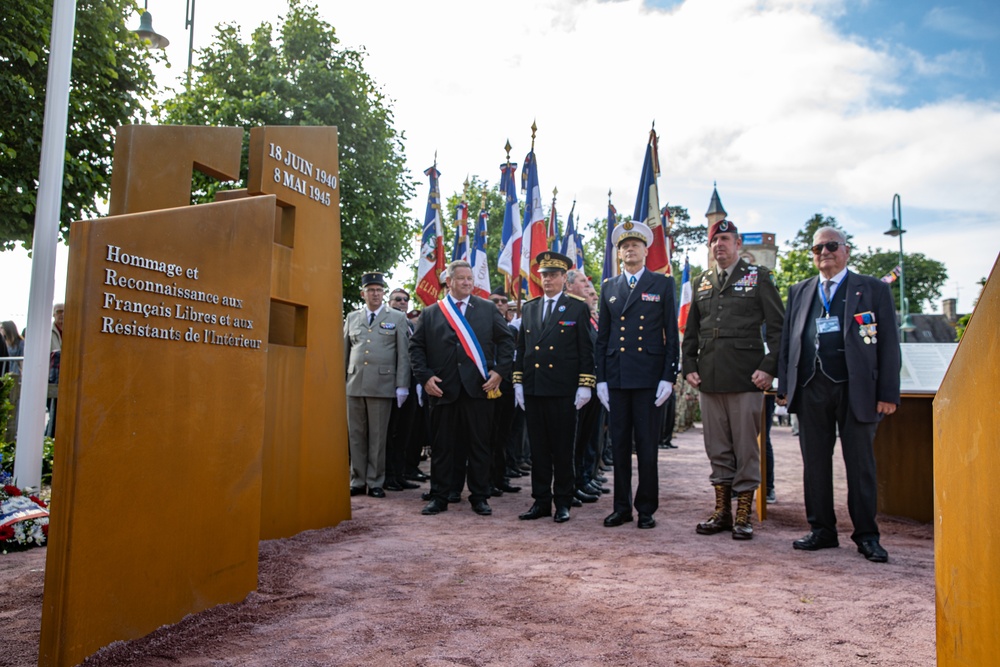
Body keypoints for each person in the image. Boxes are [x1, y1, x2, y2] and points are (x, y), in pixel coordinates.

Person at [777, 226, 900, 563]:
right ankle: (822, 530)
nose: (824, 253)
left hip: (856, 389)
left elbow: (889, 344)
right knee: (814, 463)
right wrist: (784, 387)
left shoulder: (872, 289)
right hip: (811, 387)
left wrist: (888, 392)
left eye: (831, 246)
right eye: (817, 249)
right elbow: (789, 343)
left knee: (860, 464)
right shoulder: (800, 291)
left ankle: (866, 535)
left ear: (846, 251)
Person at [682, 219, 785, 540]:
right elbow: (692, 333)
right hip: (709, 377)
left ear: (738, 244)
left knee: (745, 448)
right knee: (717, 447)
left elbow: (779, 328)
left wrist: (769, 368)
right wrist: (688, 366)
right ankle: (722, 510)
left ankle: (744, 513)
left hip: (746, 377)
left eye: (725, 239)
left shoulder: (759, 278)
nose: (719, 245)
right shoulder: (701, 282)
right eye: (714, 241)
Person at [409, 260, 515, 517]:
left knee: (479, 446)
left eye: (470, 278)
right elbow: (416, 348)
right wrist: (425, 377)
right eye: (462, 278)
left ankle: (480, 497)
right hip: (443, 391)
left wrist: (500, 372)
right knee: (443, 447)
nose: (468, 282)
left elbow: (506, 341)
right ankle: (440, 496)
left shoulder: (488, 309)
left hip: (479, 389)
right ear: (449, 282)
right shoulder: (432, 312)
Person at [595, 221, 679, 529]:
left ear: (646, 250)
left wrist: (669, 376)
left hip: (648, 378)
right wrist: (601, 378)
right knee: (618, 446)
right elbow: (603, 337)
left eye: (635, 245)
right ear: (619, 254)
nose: (629, 249)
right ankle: (621, 507)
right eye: (624, 246)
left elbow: (671, 333)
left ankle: (646, 509)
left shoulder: (662, 284)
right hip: (617, 378)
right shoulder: (609, 287)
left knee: (646, 447)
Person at [513, 252, 595, 523]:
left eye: (553, 275)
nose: (547, 279)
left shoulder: (577, 307)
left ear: (563, 278)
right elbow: (522, 349)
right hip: (535, 388)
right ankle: (540, 501)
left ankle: (563, 501)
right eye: (544, 274)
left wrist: (585, 384)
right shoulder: (530, 307)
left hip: (563, 389)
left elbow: (586, 350)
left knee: (562, 449)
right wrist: (518, 383)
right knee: (538, 450)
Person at [344, 273, 411, 498]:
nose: (375, 294)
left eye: (379, 290)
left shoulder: (397, 317)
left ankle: (375, 481)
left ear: (383, 293)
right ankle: (357, 479)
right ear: (363, 294)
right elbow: (344, 352)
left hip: (382, 384)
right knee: (356, 434)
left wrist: (402, 384)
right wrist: (340, 382)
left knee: (378, 437)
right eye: (371, 290)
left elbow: (403, 354)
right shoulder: (352, 317)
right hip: (354, 383)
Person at [383, 288, 421, 492]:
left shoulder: (409, 325)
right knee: (391, 431)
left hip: (411, 384)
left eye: (405, 299)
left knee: (406, 431)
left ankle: (400, 473)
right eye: (397, 299)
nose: (402, 302)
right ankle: (388, 475)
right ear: (389, 302)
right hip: (392, 384)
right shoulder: (386, 322)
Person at [488, 286, 522, 496]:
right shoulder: (481, 326)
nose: (500, 304)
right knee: (487, 436)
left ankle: (501, 477)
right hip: (489, 386)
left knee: (504, 435)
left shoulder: (513, 328)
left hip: (508, 387)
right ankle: (486, 480)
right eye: (495, 301)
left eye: (503, 301)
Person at [46, 303, 65, 438]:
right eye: (59, 311)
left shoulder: (73, 329)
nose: (62, 314)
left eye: (65, 311)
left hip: (67, 377)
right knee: (53, 411)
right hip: (50, 377)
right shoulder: (47, 331)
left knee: (60, 413)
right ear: (53, 314)